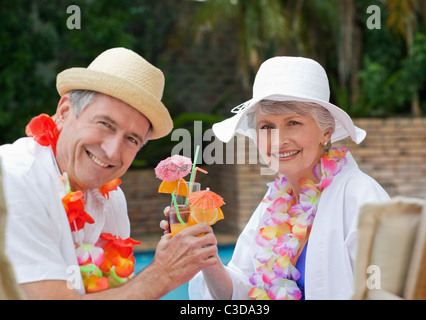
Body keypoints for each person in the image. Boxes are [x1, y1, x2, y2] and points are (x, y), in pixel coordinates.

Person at [1, 47, 218, 299]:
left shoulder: (111, 198)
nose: (112, 152)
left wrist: (174, 260)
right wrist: (163, 273)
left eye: (132, 139)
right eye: (105, 124)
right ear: (64, 112)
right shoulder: (14, 179)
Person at [188, 56, 390, 300]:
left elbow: (387, 292)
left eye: (293, 123)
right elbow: (240, 292)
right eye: (266, 127)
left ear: (325, 132)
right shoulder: (272, 204)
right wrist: (206, 256)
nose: (278, 140)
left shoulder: (362, 197)